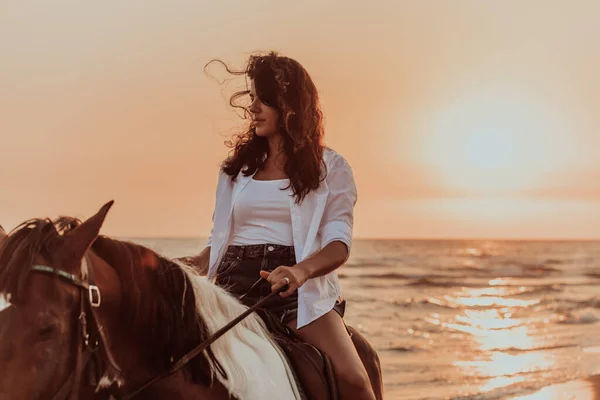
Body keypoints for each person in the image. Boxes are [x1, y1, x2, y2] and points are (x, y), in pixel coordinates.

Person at [180, 52, 375, 400]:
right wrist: (188, 265)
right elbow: (221, 240)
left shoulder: (331, 168)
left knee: (355, 380)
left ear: (289, 104)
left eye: (261, 98)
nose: (252, 107)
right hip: (229, 286)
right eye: (251, 97)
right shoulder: (234, 170)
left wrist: (300, 272)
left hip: (295, 294)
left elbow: (338, 244)